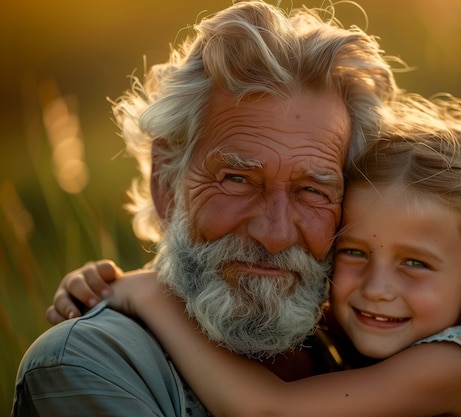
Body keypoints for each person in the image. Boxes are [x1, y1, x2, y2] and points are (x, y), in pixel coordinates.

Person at [59, 96, 461, 416]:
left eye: (416, 263)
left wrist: (148, 294)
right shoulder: (380, 332)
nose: (377, 287)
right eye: (354, 252)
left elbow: (272, 412)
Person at [12, 1, 400, 415]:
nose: (275, 233)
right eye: (237, 180)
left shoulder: (379, 343)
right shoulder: (91, 362)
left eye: (312, 191)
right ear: (165, 182)